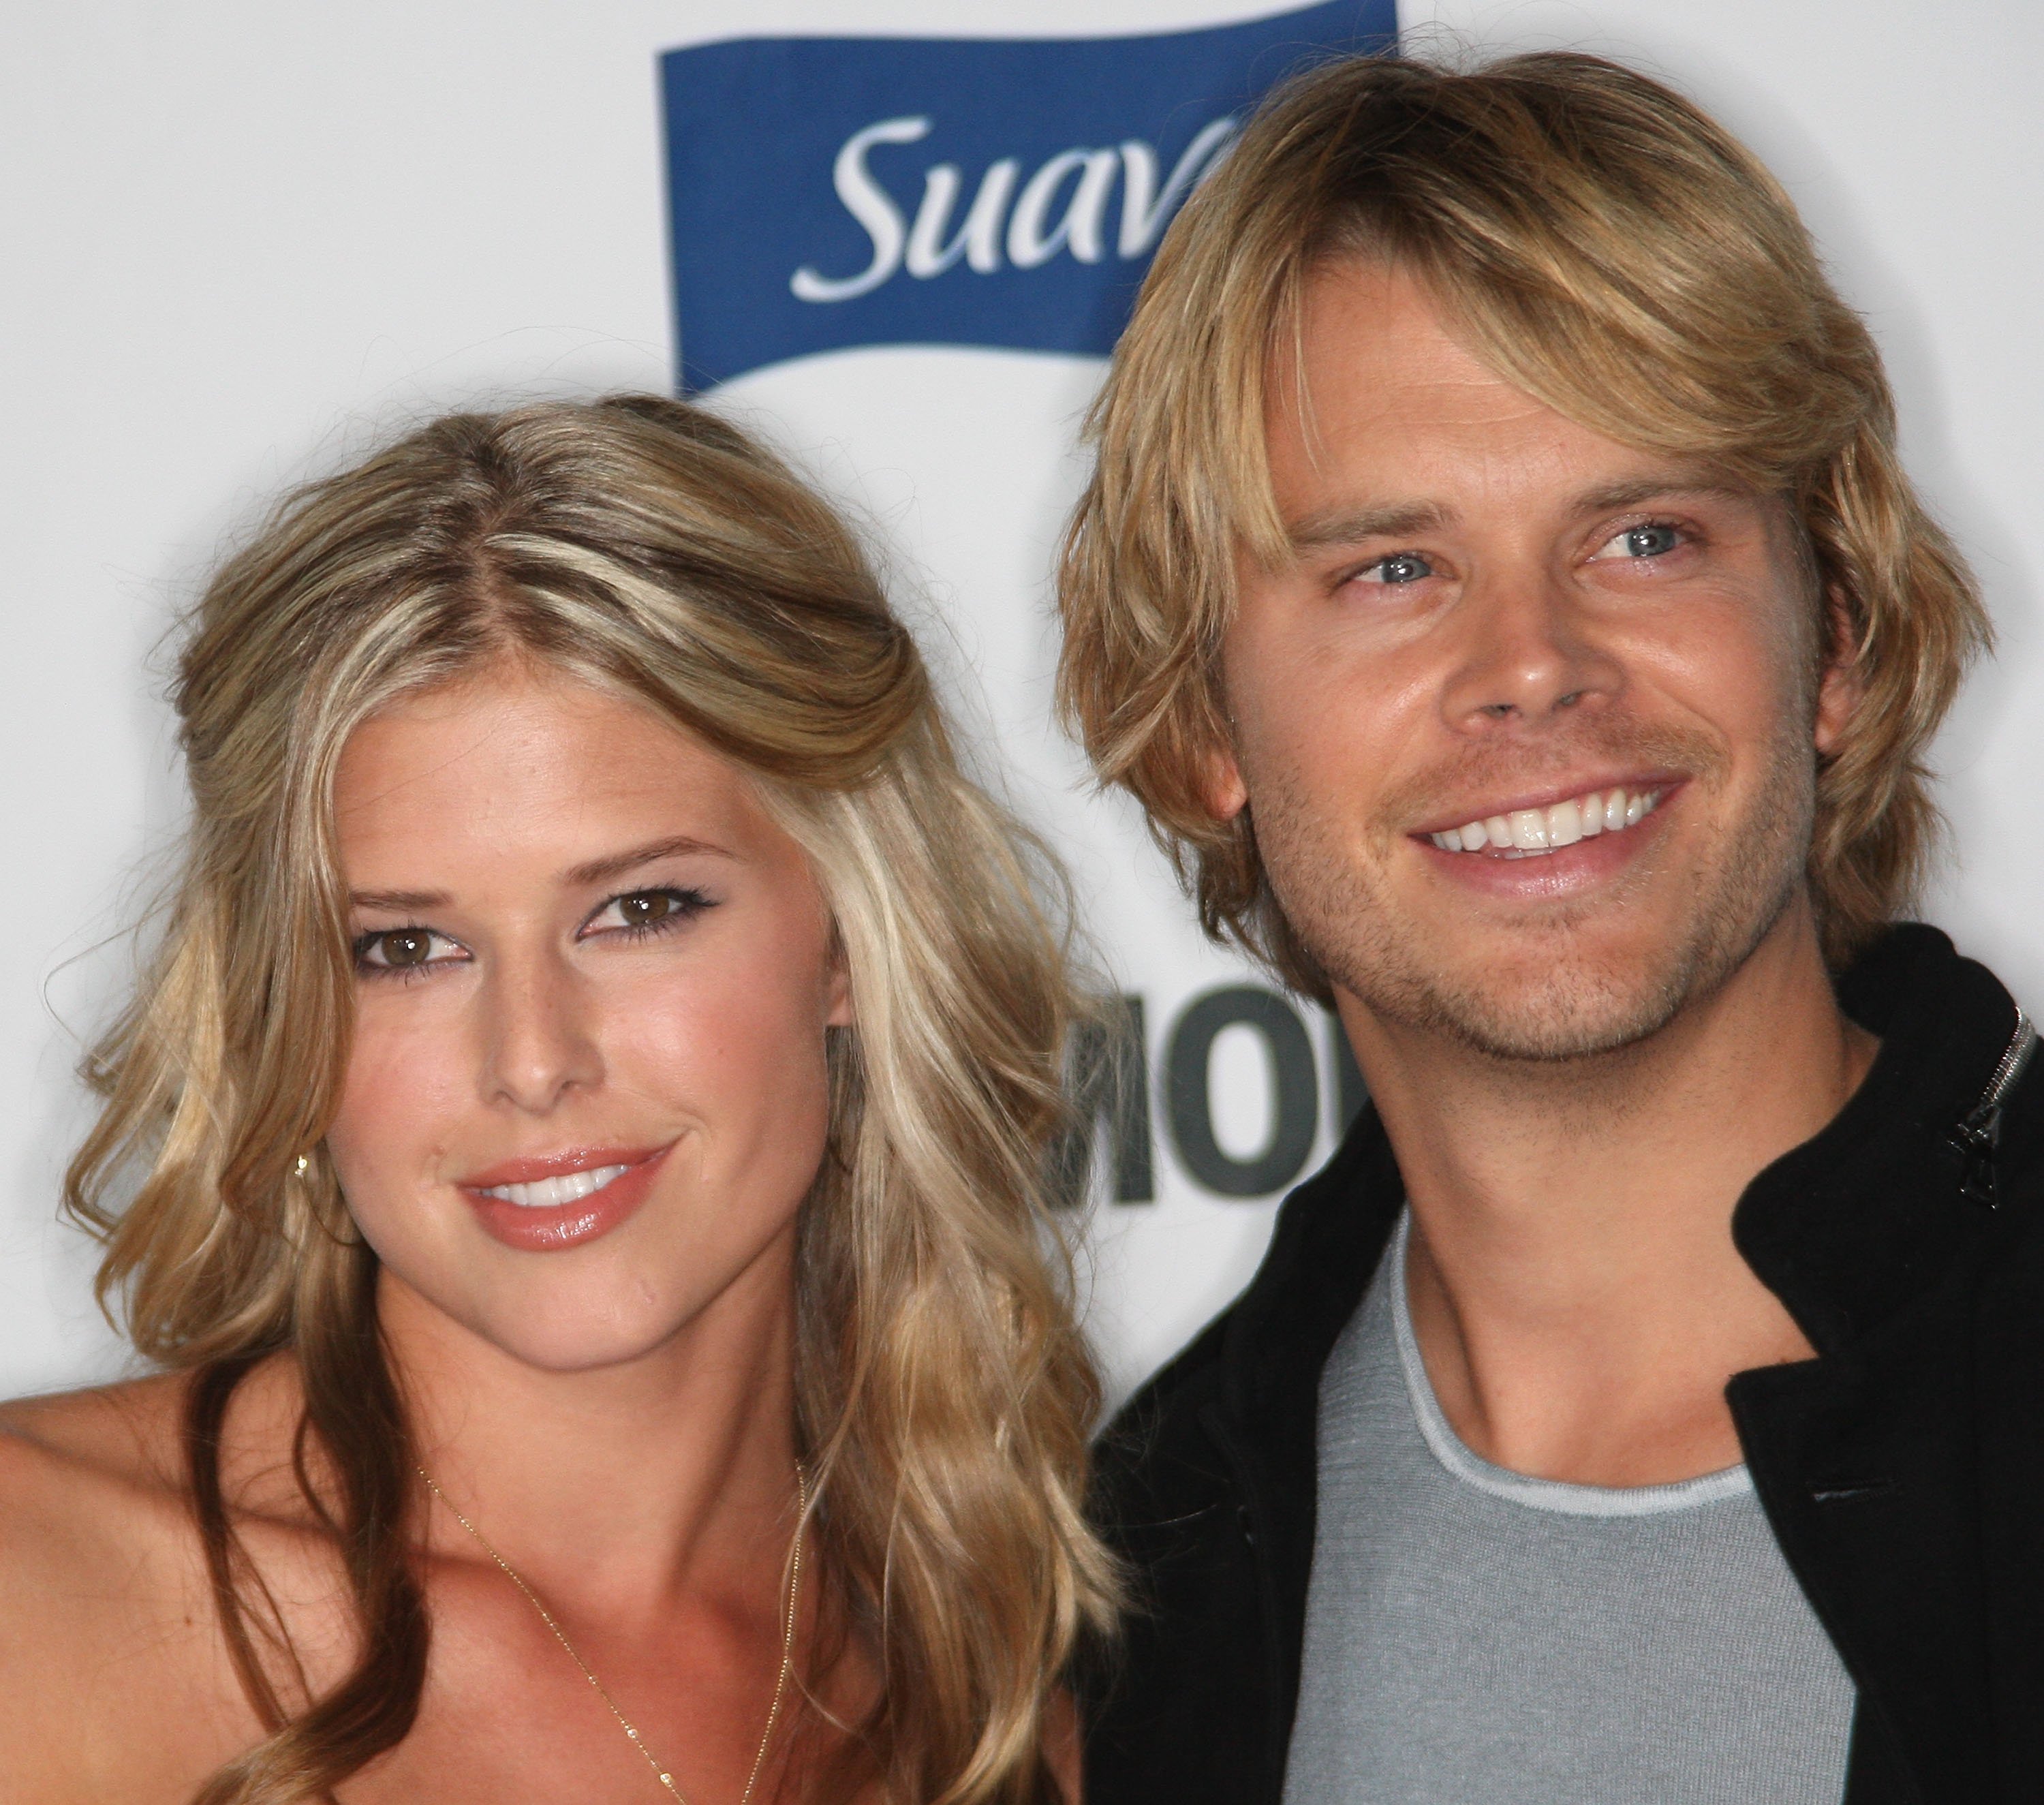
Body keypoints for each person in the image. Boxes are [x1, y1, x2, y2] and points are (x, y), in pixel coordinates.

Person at [1059, 48, 2043, 1805]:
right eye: (1391, 569)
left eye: (1646, 534)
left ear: (1834, 639)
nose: (1531, 663)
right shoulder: (1141, 1585)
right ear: (1208, 720)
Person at [0, 395, 1115, 1804]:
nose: (532, 1058)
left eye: (641, 909)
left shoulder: (999, 1726)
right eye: (404, 948)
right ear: (286, 1006)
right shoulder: (34, 1590)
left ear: (845, 937)